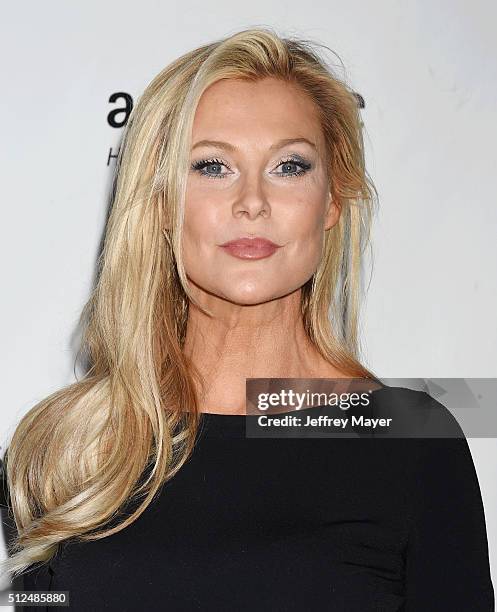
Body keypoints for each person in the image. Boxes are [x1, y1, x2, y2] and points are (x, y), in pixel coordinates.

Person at [1, 27, 493, 611]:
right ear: (158, 200)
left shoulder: (408, 437)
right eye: (212, 166)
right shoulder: (67, 450)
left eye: (289, 166)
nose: (253, 202)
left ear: (333, 199)